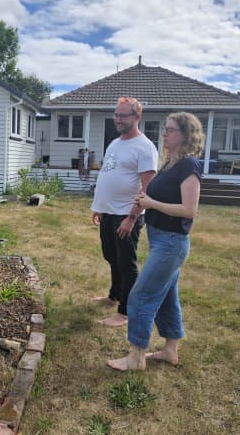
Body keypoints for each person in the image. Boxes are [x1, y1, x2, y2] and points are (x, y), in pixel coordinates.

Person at [107, 111, 204, 370]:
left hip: (172, 242)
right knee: (167, 296)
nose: (165, 133)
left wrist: (151, 204)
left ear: (185, 135)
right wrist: (143, 201)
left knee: (140, 296)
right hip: (161, 239)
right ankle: (170, 351)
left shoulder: (189, 166)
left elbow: (189, 210)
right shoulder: (170, 164)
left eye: (171, 130)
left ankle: (136, 357)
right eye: (165, 129)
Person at [91, 97, 158, 327]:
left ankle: (125, 312)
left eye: (123, 115)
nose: (118, 119)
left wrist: (132, 217)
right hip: (109, 212)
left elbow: (147, 188)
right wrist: (99, 207)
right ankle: (113, 295)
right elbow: (109, 175)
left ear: (136, 117)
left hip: (126, 214)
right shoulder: (115, 143)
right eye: (116, 115)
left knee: (126, 263)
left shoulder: (145, 147)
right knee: (111, 257)